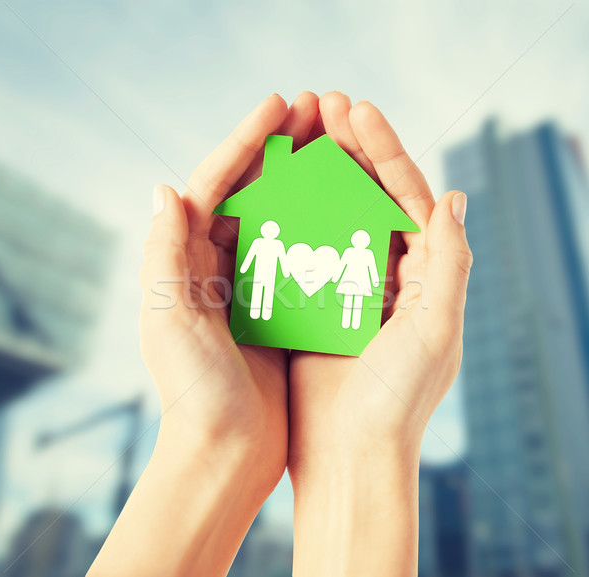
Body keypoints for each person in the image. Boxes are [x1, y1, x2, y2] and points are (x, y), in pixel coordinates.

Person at [87, 91, 472, 577]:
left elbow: (329, 262)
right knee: (272, 299)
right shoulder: (269, 247)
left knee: (340, 306)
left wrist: (354, 452)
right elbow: (255, 262)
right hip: (272, 290)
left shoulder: (347, 252)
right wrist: (213, 436)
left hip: (347, 292)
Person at [239, 219, 289, 320]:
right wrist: (244, 267)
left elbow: (283, 258)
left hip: (270, 273)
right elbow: (250, 255)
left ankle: (266, 314)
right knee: (258, 292)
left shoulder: (278, 244)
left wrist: (285, 271)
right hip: (259, 272)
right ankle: (255, 313)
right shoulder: (258, 242)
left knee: (268, 293)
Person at [333, 229, 379, 330]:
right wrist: (336, 277)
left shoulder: (368, 253)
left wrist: (375, 280)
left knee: (357, 302)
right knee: (347, 302)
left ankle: (355, 324)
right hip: (349, 279)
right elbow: (342, 265)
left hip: (361, 280)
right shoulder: (348, 251)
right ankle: (345, 323)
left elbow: (372, 267)